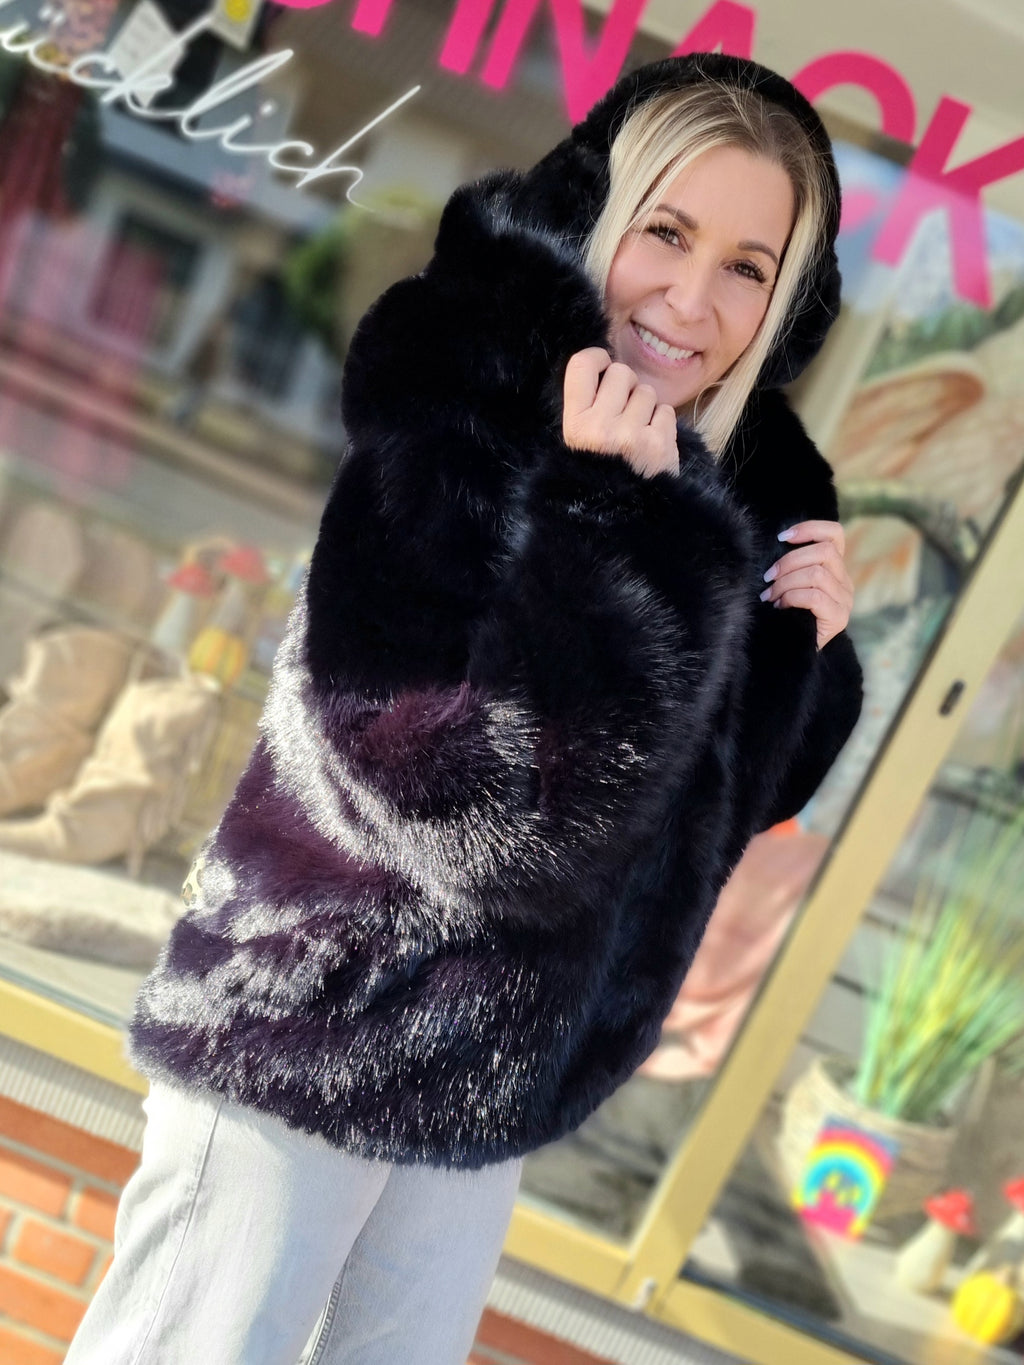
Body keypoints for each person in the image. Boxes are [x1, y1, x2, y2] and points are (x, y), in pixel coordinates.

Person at [65, 51, 862, 1365]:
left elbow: (690, 828)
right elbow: (467, 804)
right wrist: (620, 522)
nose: (691, 299)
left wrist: (793, 653)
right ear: (599, 214)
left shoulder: (722, 487)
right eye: (666, 232)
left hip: (487, 1083)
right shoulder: (463, 412)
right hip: (313, 1020)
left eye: (746, 267)